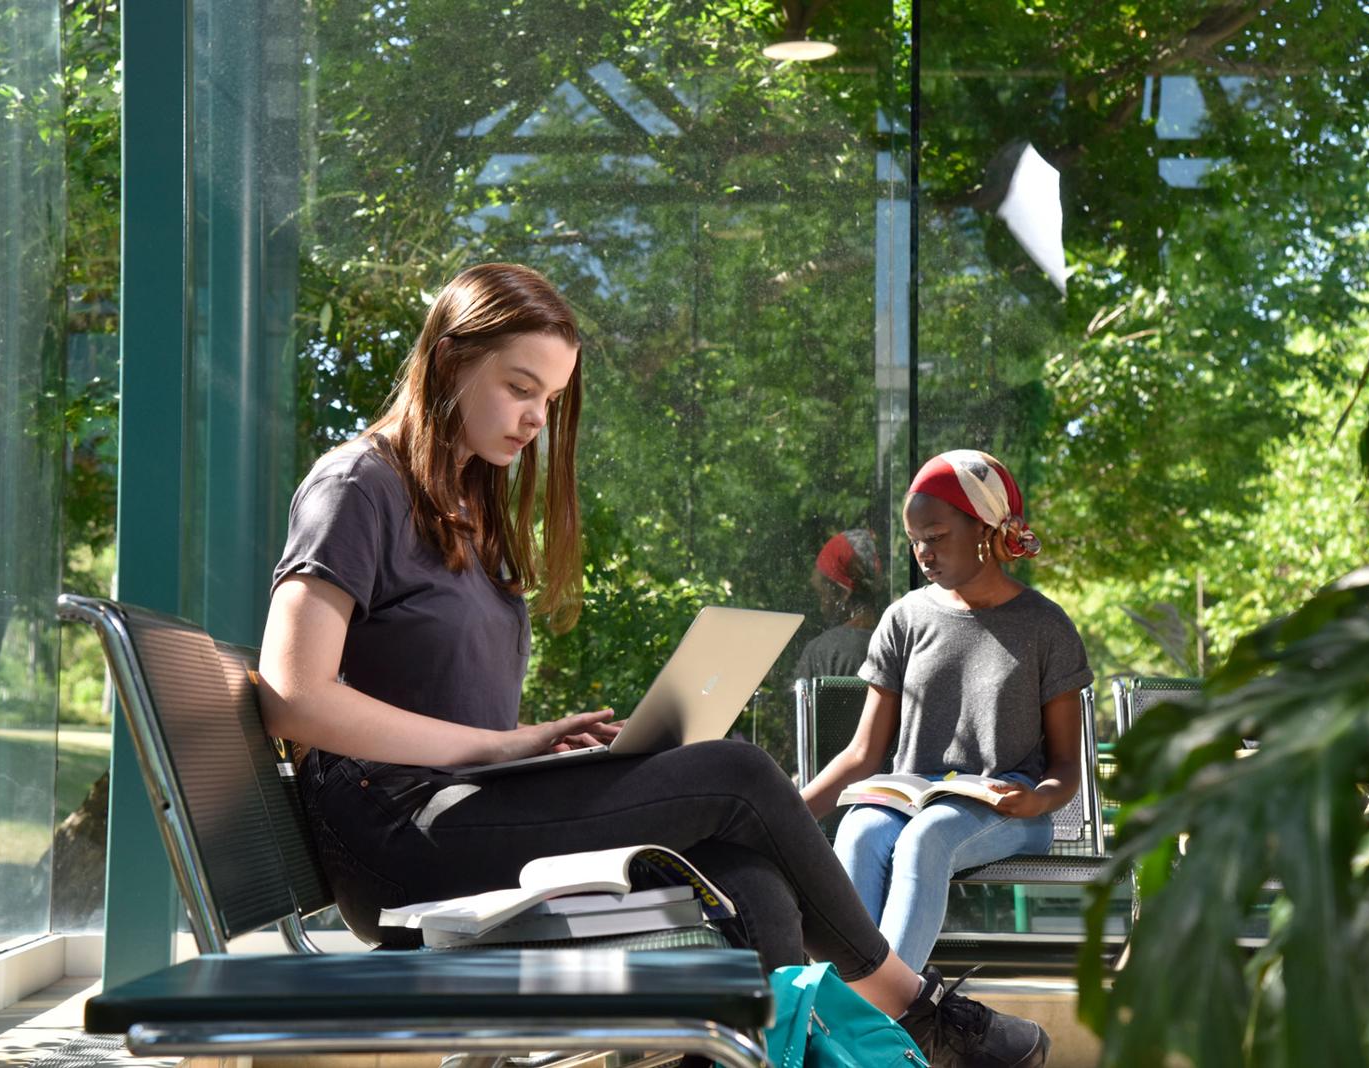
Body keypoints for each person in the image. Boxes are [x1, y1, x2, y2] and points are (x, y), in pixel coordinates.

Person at [258, 264, 1051, 1068]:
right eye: (520, 388)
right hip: (396, 839)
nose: (536, 419)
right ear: (451, 361)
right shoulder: (358, 484)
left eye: (551, 401)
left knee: (751, 878)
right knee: (738, 775)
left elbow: (451, 710)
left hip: (462, 807)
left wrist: (531, 748)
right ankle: (912, 1007)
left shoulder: (469, 508)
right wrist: (496, 749)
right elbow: (294, 698)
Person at [801, 449, 1094, 980]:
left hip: (1007, 806)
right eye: (915, 541)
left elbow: (1067, 767)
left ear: (984, 528)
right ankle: (857, 1018)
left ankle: (876, 1021)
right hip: (911, 795)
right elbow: (864, 752)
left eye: (935, 537)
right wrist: (788, 813)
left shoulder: (1045, 626)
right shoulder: (904, 620)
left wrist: (1036, 800)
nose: (923, 553)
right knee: (860, 832)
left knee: (926, 838)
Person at [794, 528, 883, 682]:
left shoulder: (822, 652)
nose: (821, 606)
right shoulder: (895, 644)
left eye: (821, 593)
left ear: (844, 593)